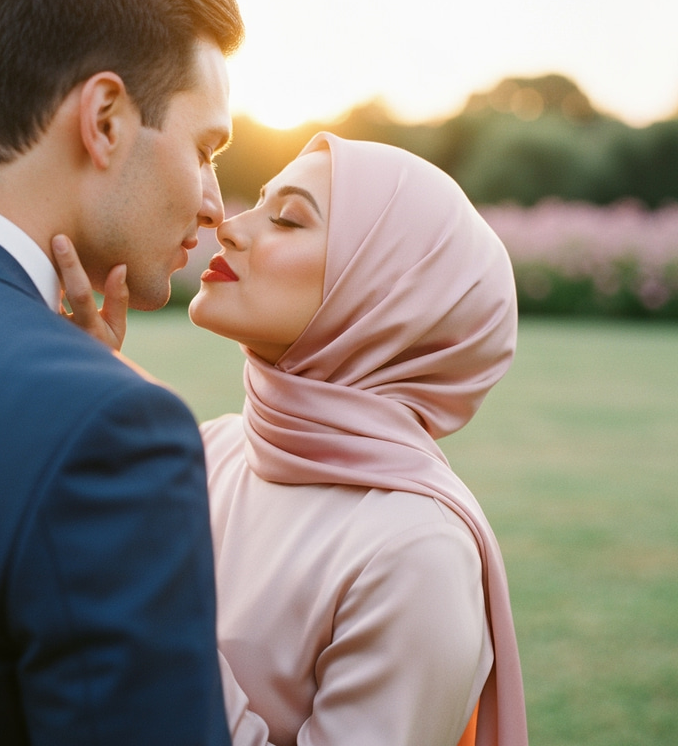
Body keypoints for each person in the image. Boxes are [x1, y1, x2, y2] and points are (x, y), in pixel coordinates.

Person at [0, 0, 244, 744]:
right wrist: (84, 390)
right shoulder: (106, 432)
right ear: (105, 119)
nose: (216, 205)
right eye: (205, 149)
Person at [58, 132, 529, 745]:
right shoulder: (206, 451)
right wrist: (83, 400)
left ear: (383, 295)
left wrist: (143, 565)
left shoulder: (418, 553)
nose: (228, 226)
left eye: (286, 219)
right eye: (259, 202)